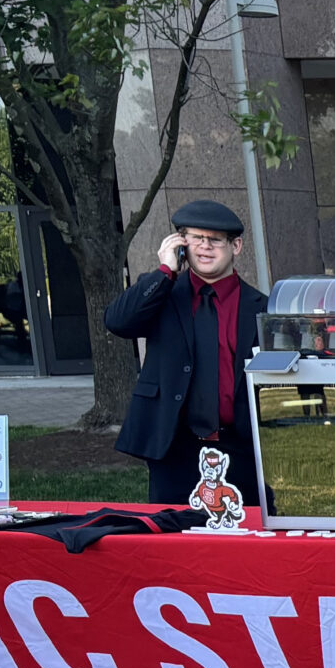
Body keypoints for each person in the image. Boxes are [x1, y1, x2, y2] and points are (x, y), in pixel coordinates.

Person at [103, 199, 269, 506]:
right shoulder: (160, 293)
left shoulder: (261, 307)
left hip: (241, 446)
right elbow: (116, 322)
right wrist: (166, 269)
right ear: (181, 244)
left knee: (245, 541)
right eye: (195, 238)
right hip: (174, 447)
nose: (205, 247)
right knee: (172, 540)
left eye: (215, 240)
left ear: (236, 246)